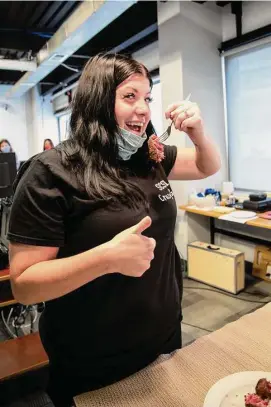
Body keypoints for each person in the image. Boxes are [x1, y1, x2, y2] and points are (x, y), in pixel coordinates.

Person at [7, 53, 221, 406]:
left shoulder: (149, 155)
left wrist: (198, 134)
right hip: (93, 357)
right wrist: (104, 258)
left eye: (148, 97)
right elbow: (25, 285)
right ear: (98, 100)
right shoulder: (50, 173)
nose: (144, 109)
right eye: (130, 96)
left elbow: (204, 166)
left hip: (164, 336)